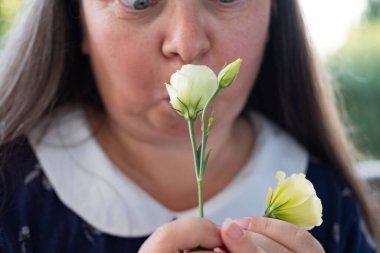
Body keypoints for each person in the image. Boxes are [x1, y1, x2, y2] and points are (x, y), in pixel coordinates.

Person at [0, 0, 378, 252]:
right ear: (76, 20)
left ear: (274, 15)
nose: (188, 42)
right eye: (138, 0)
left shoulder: (325, 200)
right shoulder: (11, 195)